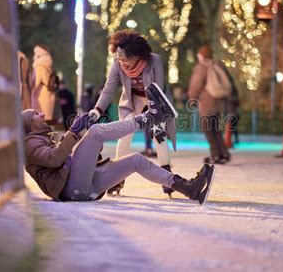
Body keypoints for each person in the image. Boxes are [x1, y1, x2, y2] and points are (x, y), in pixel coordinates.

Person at [22, 83, 215, 204]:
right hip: (71, 189)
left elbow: (63, 159)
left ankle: (188, 188)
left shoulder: (43, 138)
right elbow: (55, 160)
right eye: (35, 114)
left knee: (135, 160)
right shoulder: (30, 144)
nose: (40, 114)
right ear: (30, 124)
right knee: (96, 131)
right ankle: (148, 119)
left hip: (85, 187)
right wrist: (74, 133)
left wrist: (84, 142)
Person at [89, 29, 177, 196]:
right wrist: (97, 109)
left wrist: (153, 115)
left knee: (158, 134)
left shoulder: (154, 61)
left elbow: (158, 89)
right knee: (124, 135)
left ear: (136, 55)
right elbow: (109, 88)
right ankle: (115, 178)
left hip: (155, 101)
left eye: (124, 59)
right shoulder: (117, 63)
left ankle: (167, 177)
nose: (121, 62)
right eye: (119, 58)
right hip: (132, 102)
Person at [188, 46, 230, 164]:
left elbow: (196, 85)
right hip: (219, 102)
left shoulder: (201, 67)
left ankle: (215, 155)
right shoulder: (217, 65)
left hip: (207, 103)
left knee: (207, 129)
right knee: (215, 130)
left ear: (201, 55)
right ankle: (224, 154)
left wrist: (192, 97)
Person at [31, 44, 58, 124]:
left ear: (39, 55)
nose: (34, 56)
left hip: (41, 99)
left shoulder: (39, 67)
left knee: (40, 123)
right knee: (46, 122)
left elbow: (34, 85)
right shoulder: (48, 66)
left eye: (35, 54)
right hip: (49, 97)